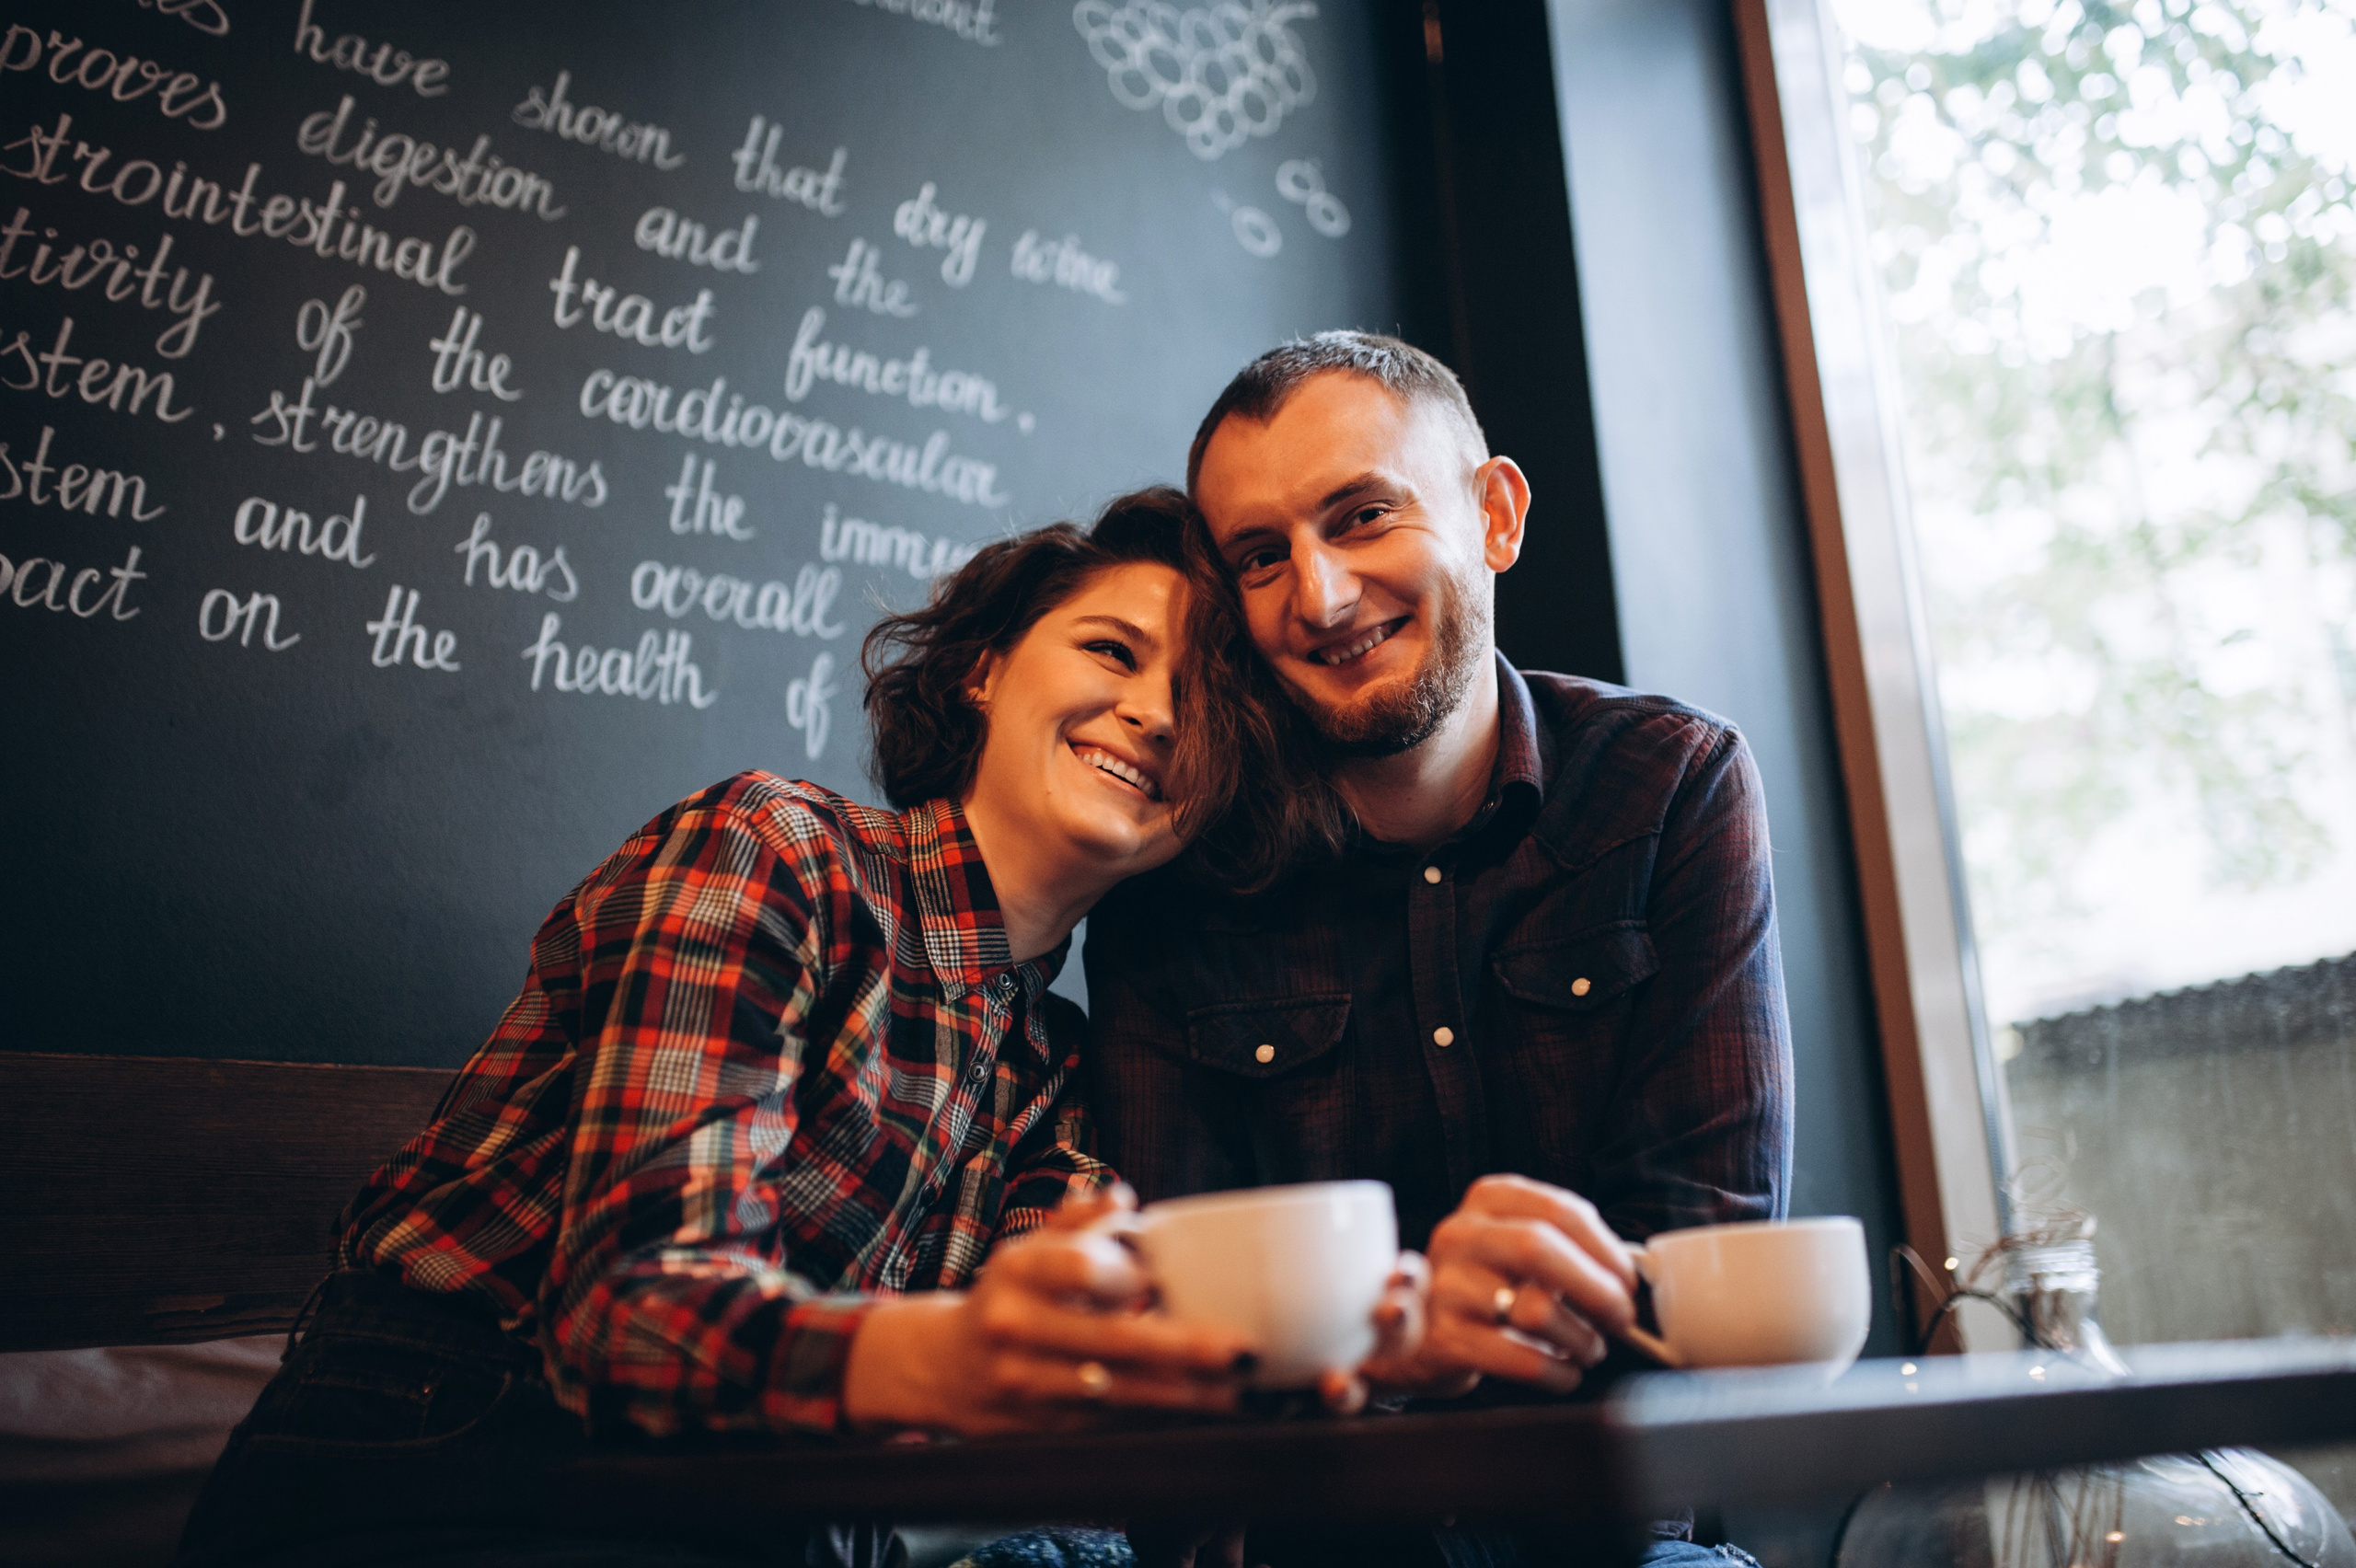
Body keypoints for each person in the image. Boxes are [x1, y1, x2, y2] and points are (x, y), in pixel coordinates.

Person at [177, 489, 1281, 1568]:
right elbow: (634, 1314)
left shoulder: (1059, 1064)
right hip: (452, 1454)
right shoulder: (775, 848)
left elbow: (1028, 1386)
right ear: (982, 670)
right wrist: (962, 1362)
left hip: (775, 1515)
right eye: (1110, 650)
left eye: (1206, 700)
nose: (1158, 712)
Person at [1085, 334, 1794, 1567]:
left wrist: (1508, 1309)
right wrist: (1404, 1331)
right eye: (1262, 557)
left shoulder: (1671, 787)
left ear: (1496, 514)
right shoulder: (1172, 885)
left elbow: (1707, 1258)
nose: (1318, 596)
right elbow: (1175, 1340)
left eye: (1362, 516)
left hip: (1618, 1544)